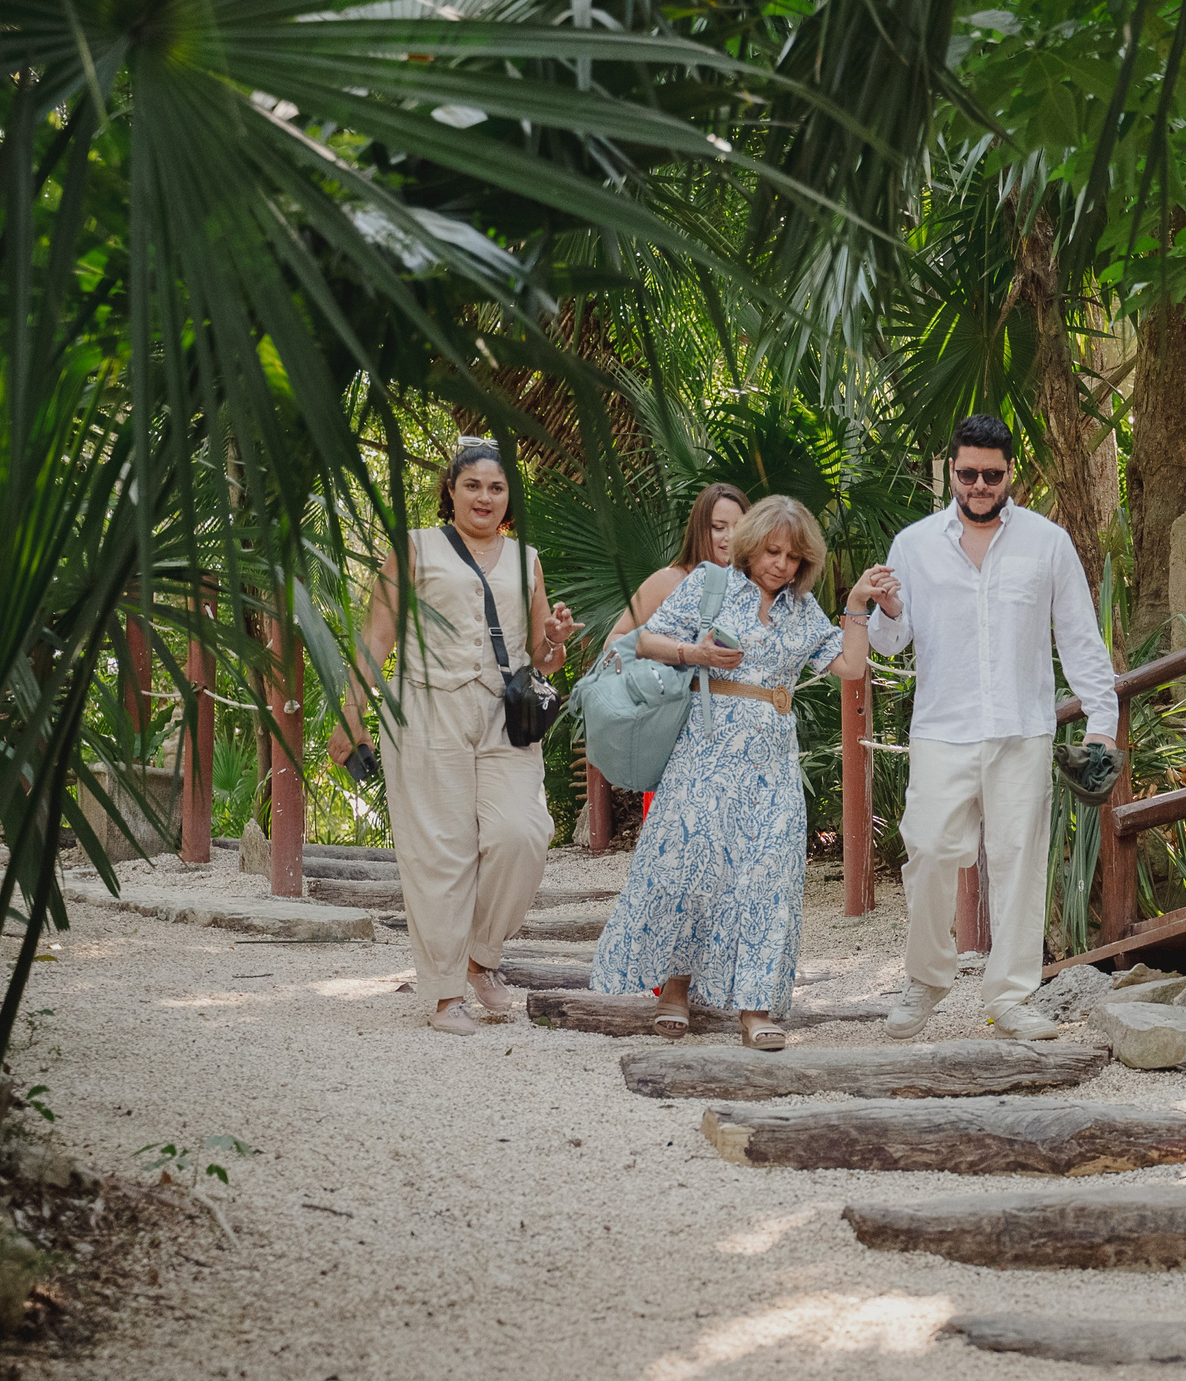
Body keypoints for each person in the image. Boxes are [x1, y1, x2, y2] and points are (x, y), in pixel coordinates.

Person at [588, 495, 887, 1049]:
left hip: (773, 758)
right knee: (692, 867)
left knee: (769, 877)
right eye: (773, 551)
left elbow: (848, 666)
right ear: (751, 546)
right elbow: (636, 640)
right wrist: (693, 653)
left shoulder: (804, 609)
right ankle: (675, 990)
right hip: (706, 747)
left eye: (794, 557)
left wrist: (855, 606)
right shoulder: (710, 583)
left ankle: (755, 1009)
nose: (782, 564)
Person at [868, 413, 1119, 1041]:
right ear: (951, 470)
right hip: (941, 729)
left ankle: (1011, 998)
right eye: (967, 474)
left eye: (991, 475)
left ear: (1012, 474)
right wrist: (890, 610)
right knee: (926, 851)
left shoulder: (1049, 542)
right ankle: (925, 982)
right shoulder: (914, 543)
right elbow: (891, 643)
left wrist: (1102, 721)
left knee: (1020, 863)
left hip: (1020, 729)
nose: (979, 485)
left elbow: (1080, 639)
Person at [329, 439, 578, 1036]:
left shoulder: (527, 559)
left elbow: (542, 661)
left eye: (496, 487)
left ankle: (481, 956)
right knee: (439, 850)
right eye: (473, 486)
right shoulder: (412, 547)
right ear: (452, 492)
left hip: (505, 712)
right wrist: (351, 713)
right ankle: (445, 995)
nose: (485, 497)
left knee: (523, 833)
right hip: (425, 706)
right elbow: (377, 638)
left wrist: (557, 639)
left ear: (508, 497)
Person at [608, 482, 747, 823]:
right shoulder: (670, 580)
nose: (729, 536)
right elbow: (617, 642)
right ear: (701, 529)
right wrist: (679, 656)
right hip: (675, 730)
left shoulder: (756, 588)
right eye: (718, 527)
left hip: (739, 737)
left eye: (739, 527)